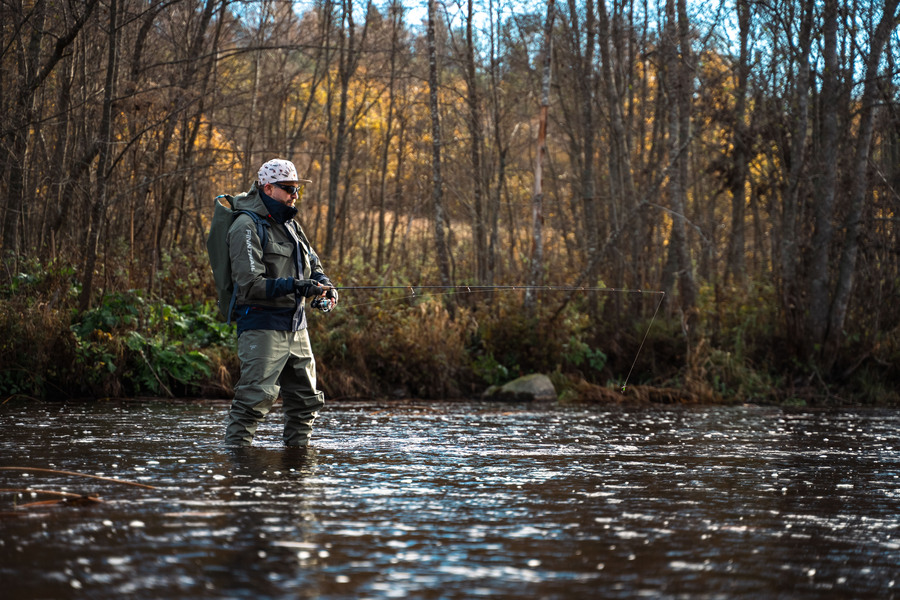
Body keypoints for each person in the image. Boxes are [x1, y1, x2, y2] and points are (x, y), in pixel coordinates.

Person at [224, 158, 338, 447]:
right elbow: (250, 284)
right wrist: (298, 286)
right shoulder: (245, 226)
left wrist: (326, 287)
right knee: (252, 404)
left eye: (297, 189)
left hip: (298, 329)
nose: (294, 196)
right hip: (262, 327)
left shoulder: (292, 226)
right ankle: (239, 474)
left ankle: (296, 475)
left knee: (305, 405)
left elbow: (314, 265)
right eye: (288, 189)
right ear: (268, 188)